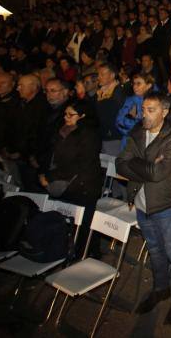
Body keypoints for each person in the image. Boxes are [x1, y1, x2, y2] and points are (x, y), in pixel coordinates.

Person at [115, 92, 171, 324]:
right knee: (155, 250)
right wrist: (147, 165)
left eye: (151, 110)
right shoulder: (138, 132)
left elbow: (158, 173)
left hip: (166, 206)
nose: (144, 115)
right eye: (144, 109)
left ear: (165, 112)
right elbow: (119, 163)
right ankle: (161, 289)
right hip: (141, 204)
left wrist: (135, 164)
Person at [38, 100, 102, 258]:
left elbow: (79, 164)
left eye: (70, 114)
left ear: (83, 116)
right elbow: (54, 156)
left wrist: (50, 177)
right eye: (65, 114)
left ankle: (86, 255)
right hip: (66, 181)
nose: (66, 117)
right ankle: (68, 250)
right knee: (69, 222)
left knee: (84, 224)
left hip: (83, 184)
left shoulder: (89, 134)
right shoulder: (64, 131)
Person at [94, 63, 126, 156]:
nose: (98, 77)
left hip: (114, 136)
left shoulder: (118, 92)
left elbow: (115, 113)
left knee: (112, 166)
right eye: (98, 74)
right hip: (104, 134)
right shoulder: (102, 91)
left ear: (112, 75)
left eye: (102, 74)